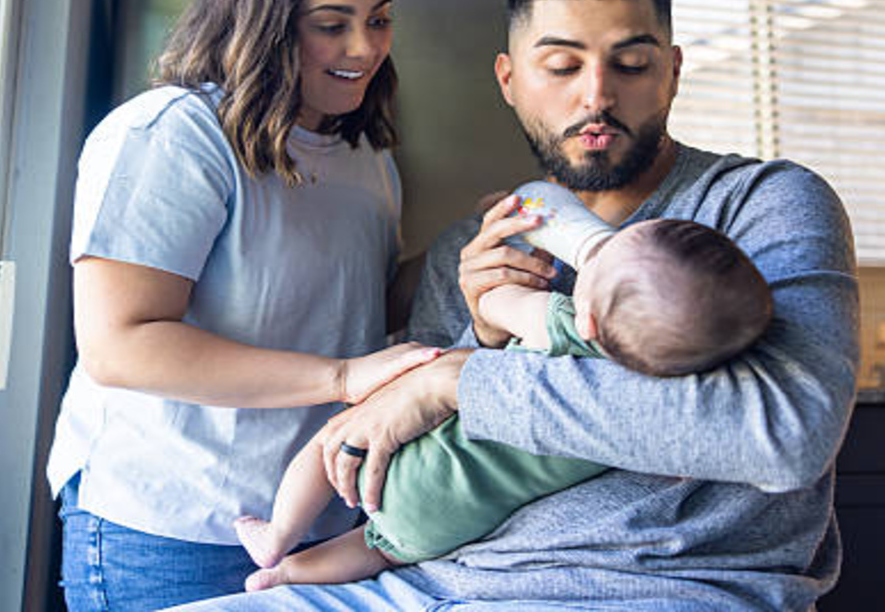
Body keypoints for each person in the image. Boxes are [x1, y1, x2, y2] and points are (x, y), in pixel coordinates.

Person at [173, 0, 859, 611]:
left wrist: (458, 380)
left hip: (659, 588)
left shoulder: (761, 203)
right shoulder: (474, 250)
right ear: (509, 80)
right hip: (429, 582)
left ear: (672, 72)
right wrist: (479, 337)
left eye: (632, 63)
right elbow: (428, 458)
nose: (598, 95)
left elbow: (783, 434)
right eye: (562, 66)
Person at [45, 0, 444, 610]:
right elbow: (120, 346)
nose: (365, 46)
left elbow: (355, 313)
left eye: (379, 20)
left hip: (316, 532)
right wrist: (344, 377)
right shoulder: (173, 135)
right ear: (264, 22)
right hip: (168, 528)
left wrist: (463, 250)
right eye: (331, 23)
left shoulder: (363, 155)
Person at [231, 200, 772, 591]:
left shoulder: (568, 326)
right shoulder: (659, 393)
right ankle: (287, 575)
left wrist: (513, 291)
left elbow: (493, 304)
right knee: (377, 548)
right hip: (453, 520)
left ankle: (278, 538)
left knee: (335, 437)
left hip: (413, 464)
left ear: (587, 315)